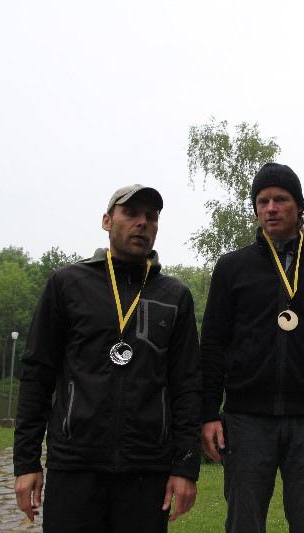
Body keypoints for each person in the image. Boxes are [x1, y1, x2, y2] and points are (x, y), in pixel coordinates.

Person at [13, 185, 201, 532]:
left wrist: (186, 467)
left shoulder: (174, 295)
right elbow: (37, 374)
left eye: (152, 217)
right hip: (75, 464)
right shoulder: (67, 284)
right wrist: (26, 462)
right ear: (106, 221)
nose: (142, 223)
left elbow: (187, 385)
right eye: (131, 213)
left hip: (147, 469)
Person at [199, 162, 304, 533]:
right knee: (244, 523)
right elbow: (212, 344)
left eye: (281, 199)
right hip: (246, 419)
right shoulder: (232, 267)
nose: (271, 208)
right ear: (256, 209)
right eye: (263, 201)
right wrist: (208, 412)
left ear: (299, 206)